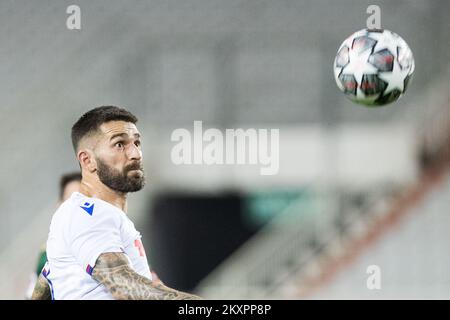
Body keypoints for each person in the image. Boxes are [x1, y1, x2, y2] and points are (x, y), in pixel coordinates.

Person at [32, 106, 200, 300]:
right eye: (120, 144)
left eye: (137, 142)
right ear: (88, 161)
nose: (135, 153)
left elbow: (49, 277)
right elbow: (125, 287)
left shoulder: (91, 216)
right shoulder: (88, 214)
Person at [24, 172, 81, 299]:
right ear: (59, 204)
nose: (76, 206)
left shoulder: (105, 247)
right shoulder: (47, 254)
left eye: (82, 200)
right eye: (69, 200)